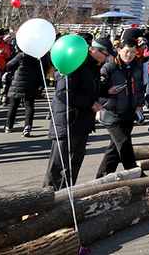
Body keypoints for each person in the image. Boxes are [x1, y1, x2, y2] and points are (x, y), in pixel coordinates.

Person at [43, 36, 110, 190]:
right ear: (95, 51)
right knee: (58, 167)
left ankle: (67, 197)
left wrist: (106, 92)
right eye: (106, 55)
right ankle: (48, 200)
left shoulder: (92, 68)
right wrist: (90, 103)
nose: (107, 59)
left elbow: (87, 89)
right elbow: (64, 93)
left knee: (74, 164)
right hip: (67, 121)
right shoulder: (76, 62)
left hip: (82, 122)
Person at [96, 36, 145, 177]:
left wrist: (139, 105)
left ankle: (102, 177)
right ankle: (136, 174)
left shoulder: (137, 66)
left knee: (114, 149)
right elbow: (99, 90)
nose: (128, 55)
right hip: (112, 114)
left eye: (132, 52)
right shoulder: (109, 67)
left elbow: (139, 87)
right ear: (119, 50)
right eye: (126, 51)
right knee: (124, 144)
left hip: (129, 113)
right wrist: (109, 93)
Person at [4, 46, 45, 137]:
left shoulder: (21, 55)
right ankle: (28, 126)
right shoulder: (36, 56)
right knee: (29, 106)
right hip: (31, 82)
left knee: (13, 106)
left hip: (18, 83)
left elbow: (9, 65)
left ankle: (8, 125)